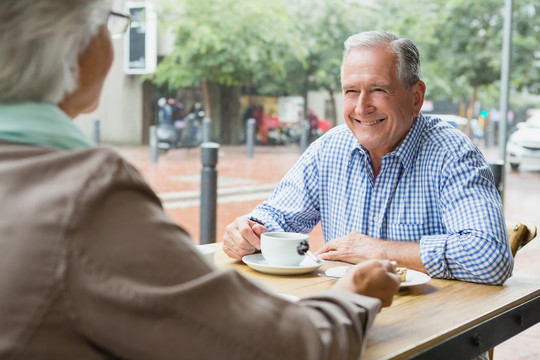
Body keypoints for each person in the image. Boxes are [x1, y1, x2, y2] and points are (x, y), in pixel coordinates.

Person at [0, 2, 401, 359]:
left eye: (378, 89)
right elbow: (275, 346)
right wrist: (353, 297)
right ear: (78, 43)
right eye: (111, 21)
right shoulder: (86, 194)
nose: (362, 105)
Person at [223, 30, 514, 286]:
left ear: (416, 98)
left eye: (378, 90)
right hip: (349, 317)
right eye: (351, 91)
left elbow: (491, 257)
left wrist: (380, 252)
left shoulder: (452, 155)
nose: (362, 108)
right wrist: (249, 231)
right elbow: (279, 218)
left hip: (433, 332)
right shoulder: (329, 149)